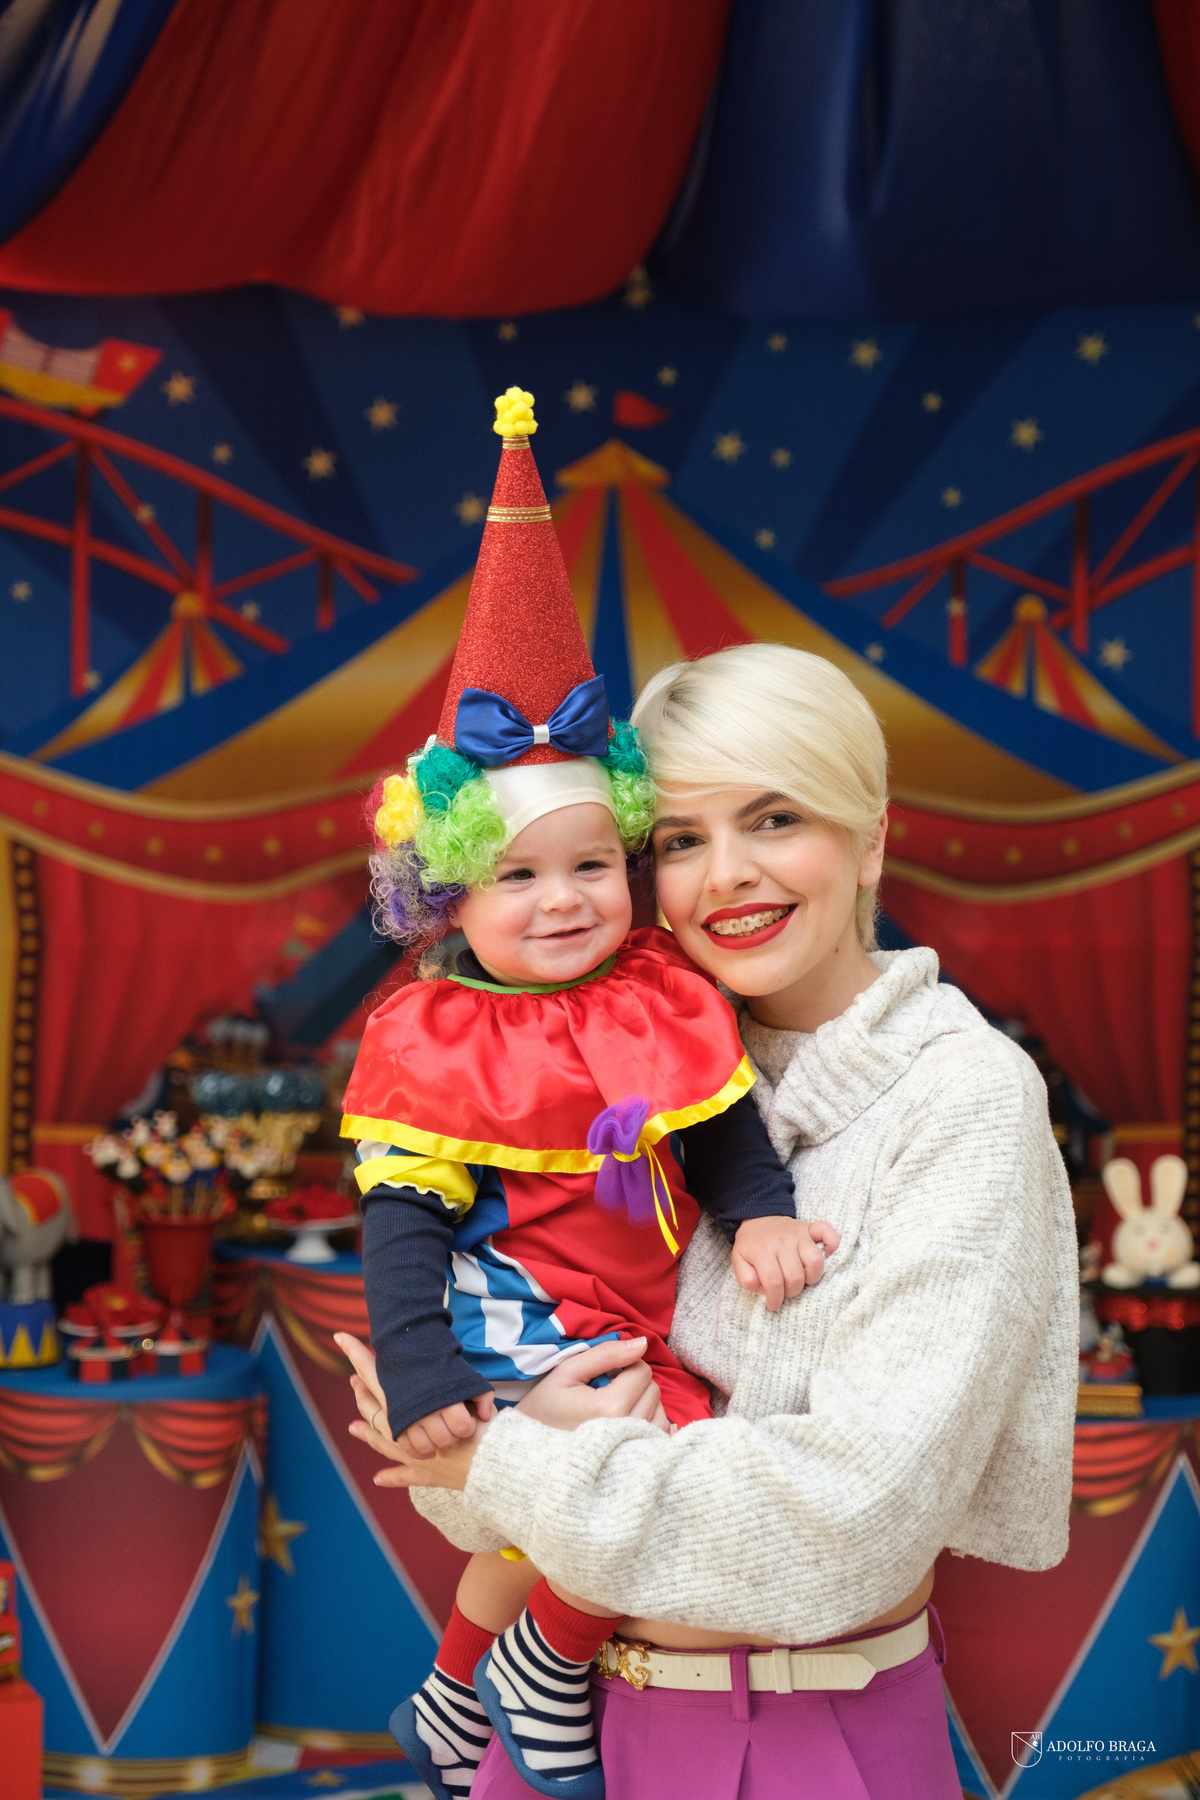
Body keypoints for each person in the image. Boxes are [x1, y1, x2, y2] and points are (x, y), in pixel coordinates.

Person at [340, 640, 1079, 1800]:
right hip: (559, 1727)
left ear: (871, 838)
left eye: (775, 818)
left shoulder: (962, 1097)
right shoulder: (616, 1057)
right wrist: (483, 1429)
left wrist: (511, 1457)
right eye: (682, 840)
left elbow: (857, 1518)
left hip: (799, 1732)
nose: (725, 875)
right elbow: (463, 1486)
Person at [342, 396, 833, 1800]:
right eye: (517, 876)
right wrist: (423, 1367)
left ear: (629, 862)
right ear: (449, 898)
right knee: (644, 1468)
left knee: (578, 1504)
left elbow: (720, 1129)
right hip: (525, 1308)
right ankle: (544, 1670)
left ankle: (453, 1698)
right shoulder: (437, 1034)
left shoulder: (661, 989)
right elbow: (400, 1222)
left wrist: (763, 1217)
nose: (561, 900)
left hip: (632, 1303)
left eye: (591, 866)